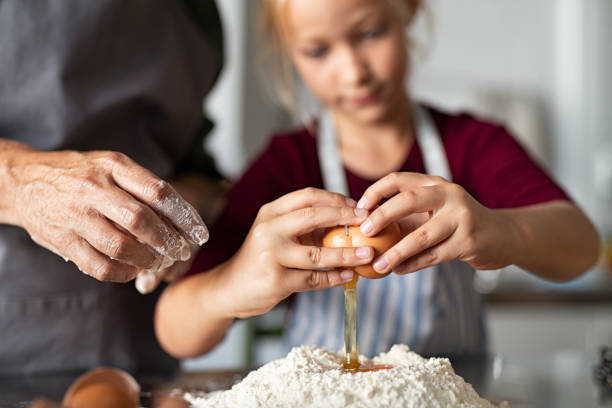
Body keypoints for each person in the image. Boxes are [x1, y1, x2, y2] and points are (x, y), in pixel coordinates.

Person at [155, 0, 600, 361]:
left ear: (410, 10)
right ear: (289, 53)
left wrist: (504, 231)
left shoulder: (472, 145)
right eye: (317, 51)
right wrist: (231, 283)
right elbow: (175, 332)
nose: (353, 72)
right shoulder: (286, 166)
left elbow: (582, 248)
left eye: (370, 34)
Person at [0, 0, 226, 375]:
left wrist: (188, 201)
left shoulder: (195, 12)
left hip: (140, 338)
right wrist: (22, 182)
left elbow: (192, 152)